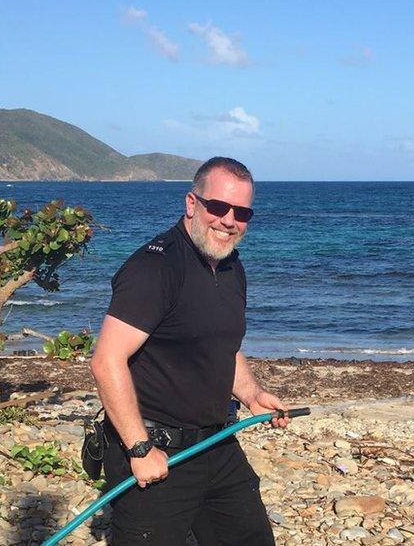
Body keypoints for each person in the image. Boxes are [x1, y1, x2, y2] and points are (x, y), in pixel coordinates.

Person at [90, 156, 290, 545]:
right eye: (217, 207)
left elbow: (222, 346)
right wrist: (139, 447)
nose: (229, 221)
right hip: (157, 452)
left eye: (242, 212)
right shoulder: (155, 267)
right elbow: (106, 360)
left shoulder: (230, 266)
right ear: (192, 204)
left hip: (216, 443)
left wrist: (252, 395)